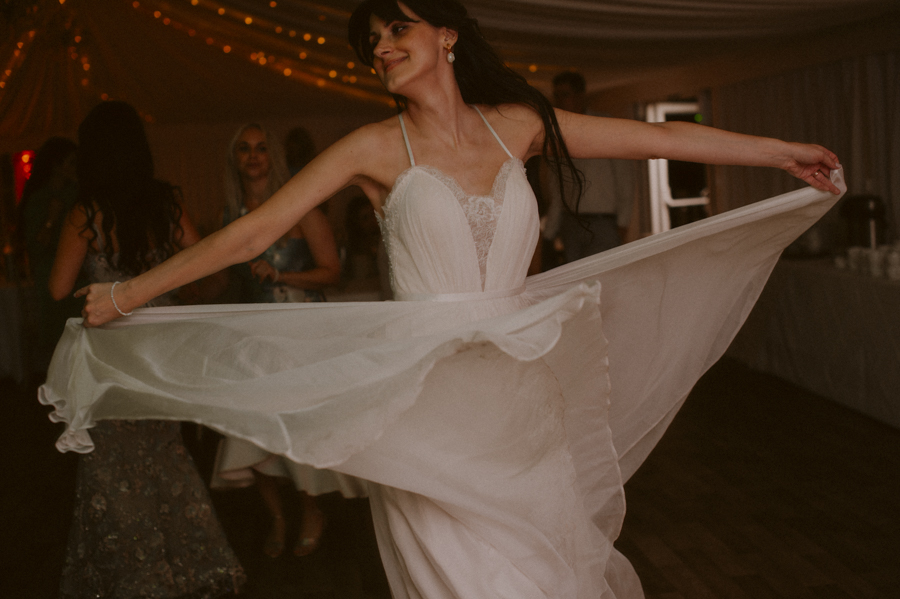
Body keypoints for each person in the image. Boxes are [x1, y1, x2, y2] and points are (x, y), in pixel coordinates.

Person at [44, 1, 842, 597]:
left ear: (447, 35)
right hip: (429, 413)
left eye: (397, 28)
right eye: (372, 40)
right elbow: (254, 232)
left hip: (524, 403)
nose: (381, 47)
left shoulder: (517, 125)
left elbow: (658, 139)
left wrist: (781, 153)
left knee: (548, 578)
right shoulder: (371, 147)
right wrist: (128, 291)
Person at [48, 101, 244, 598]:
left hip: (109, 363)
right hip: (160, 357)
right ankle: (192, 565)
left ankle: (138, 578)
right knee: (166, 454)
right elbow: (210, 270)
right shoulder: (165, 204)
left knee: (112, 468)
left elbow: (57, 288)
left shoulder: (86, 213)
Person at [213, 123, 364, 558]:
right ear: (234, 159)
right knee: (252, 428)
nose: (253, 156)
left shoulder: (300, 207)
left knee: (300, 428)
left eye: (261, 148)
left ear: (273, 157)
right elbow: (224, 280)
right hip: (254, 334)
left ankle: (312, 510)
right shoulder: (229, 216)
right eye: (244, 149)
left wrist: (282, 275)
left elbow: (331, 272)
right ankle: (277, 517)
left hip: (302, 333)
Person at [543, 71, 637, 263]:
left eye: (565, 95)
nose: (560, 101)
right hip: (571, 221)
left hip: (602, 221)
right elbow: (557, 188)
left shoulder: (603, 126)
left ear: (579, 96)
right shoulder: (556, 134)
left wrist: (623, 223)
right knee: (575, 276)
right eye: (557, 95)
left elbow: (624, 179)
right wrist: (548, 233)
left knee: (601, 273)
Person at [18, 137, 81, 374]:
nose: (75, 168)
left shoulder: (78, 194)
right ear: (56, 165)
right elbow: (36, 247)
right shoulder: (39, 199)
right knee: (58, 337)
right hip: (51, 276)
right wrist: (51, 219)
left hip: (80, 276)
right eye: (71, 162)